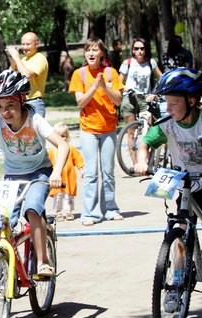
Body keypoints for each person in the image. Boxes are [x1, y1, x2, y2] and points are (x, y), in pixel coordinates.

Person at [0, 70, 69, 277]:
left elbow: (62, 145)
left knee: (33, 209)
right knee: (1, 220)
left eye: (10, 106)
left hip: (39, 173)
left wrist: (57, 172)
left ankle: (43, 262)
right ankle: (3, 266)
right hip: (12, 177)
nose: (4, 112)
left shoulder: (35, 120)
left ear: (22, 100)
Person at [134, 68, 202, 261]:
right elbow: (145, 143)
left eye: (173, 104)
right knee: (180, 224)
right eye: (166, 103)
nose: (168, 109)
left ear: (191, 101)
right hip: (185, 178)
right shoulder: (167, 124)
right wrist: (142, 162)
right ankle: (177, 275)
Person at [69, 37, 125, 226]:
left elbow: (118, 101)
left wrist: (105, 88)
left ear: (102, 53)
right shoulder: (80, 74)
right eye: (88, 50)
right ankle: (90, 213)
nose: (91, 53)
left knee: (108, 171)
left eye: (95, 50)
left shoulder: (111, 73)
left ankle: (110, 209)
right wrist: (95, 86)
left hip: (109, 129)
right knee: (91, 173)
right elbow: (80, 102)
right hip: (88, 130)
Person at [119, 37, 163, 165]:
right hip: (130, 98)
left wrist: (155, 93)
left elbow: (162, 78)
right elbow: (119, 82)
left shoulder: (151, 62)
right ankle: (135, 164)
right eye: (136, 48)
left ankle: (145, 160)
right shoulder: (127, 63)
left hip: (145, 99)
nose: (139, 51)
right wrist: (127, 89)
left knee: (147, 131)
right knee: (131, 132)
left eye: (142, 48)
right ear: (132, 50)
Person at [48, 122, 84, 221]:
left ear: (67, 136)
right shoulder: (52, 151)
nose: (62, 139)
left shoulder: (71, 148)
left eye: (63, 136)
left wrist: (81, 169)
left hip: (69, 177)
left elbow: (78, 159)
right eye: (59, 136)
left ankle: (69, 211)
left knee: (69, 196)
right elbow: (48, 163)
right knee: (58, 196)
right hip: (57, 179)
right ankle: (57, 212)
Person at [6, 32, 49, 117]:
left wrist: (17, 58)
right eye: (23, 44)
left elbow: (27, 76)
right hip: (20, 103)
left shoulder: (40, 58)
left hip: (33, 103)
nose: (24, 47)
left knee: (33, 130)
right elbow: (9, 77)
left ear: (36, 44)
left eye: (28, 44)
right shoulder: (23, 60)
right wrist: (13, 60)